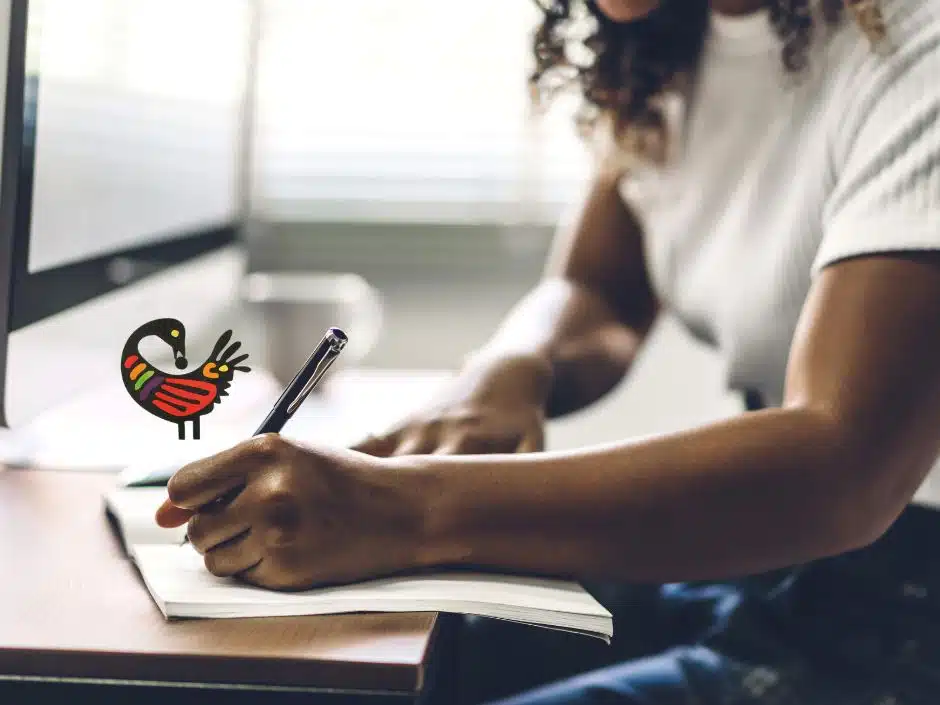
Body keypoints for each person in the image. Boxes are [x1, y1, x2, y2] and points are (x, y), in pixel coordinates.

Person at [156, 0, 940, 701]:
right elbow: (602, 290)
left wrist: (404, 506)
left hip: (907, 610)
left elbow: (845, 467)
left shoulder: (917, 43)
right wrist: (509, 365)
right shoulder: (676, 38)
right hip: (768, 567)